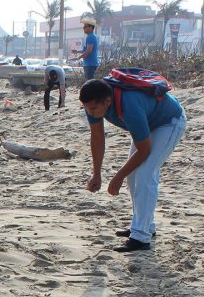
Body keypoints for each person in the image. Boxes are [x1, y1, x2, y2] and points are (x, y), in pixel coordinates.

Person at [79, 79, 186, 253]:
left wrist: (117, 177)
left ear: (107, 101)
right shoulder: (94, 103)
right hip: (148, 122)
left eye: (92, 109)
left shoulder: (130, 107)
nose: (89, 112)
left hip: (169, 122)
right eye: (86, 108)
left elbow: (144, 150)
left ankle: (140, 237)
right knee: (133, 176)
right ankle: (145, 226)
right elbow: (97, 137)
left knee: (145, 174)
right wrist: (96, 174)